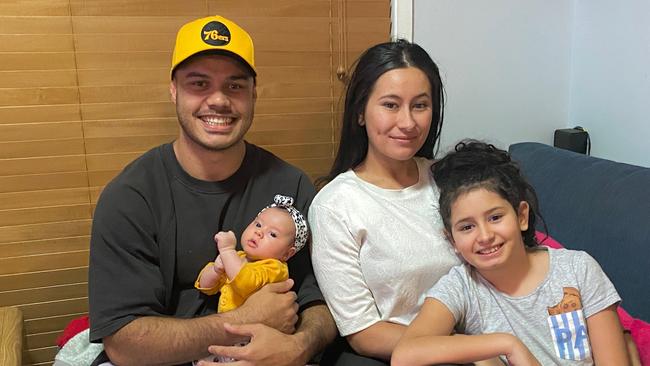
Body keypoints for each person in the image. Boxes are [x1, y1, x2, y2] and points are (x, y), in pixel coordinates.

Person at [88, 15, 336, 366]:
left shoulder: (290, 186)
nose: (218, 100)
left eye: (235, 86)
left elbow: (321, 304)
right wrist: (242, 321)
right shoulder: (131, 197)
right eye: (199, 83)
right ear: (173, 89)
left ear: (254, 94)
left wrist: (300, 346)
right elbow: (125, 343)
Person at [392, 141, 631, 365]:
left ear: (521, 216)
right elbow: (405, 355)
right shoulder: (460, 287)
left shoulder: (578, 269)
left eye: (495, 217)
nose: (484, 236)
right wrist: (506, 344)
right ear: (451, 239)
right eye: (467, 227)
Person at [308, 39, 462, 365]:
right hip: (407, 354)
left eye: (420, 105)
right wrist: (471, 350)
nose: (407, 123)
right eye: (391, 105)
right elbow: (365, 334)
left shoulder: (449, 178)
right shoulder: (336, 205)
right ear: (361, 112)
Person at [194, 194, 308, 363]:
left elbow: (245, 282)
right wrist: (216, 270)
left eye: (273, 234)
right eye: (258, 224)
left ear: (287, 253)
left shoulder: (275, 268)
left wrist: (226, 250)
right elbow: (206, 287)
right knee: (199, 351)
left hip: (254, 338)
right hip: (227, 332)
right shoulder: (238, 257)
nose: (259, 232)